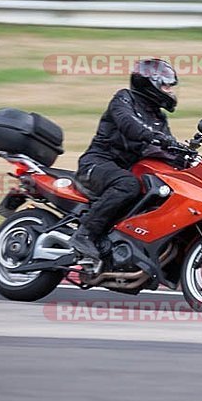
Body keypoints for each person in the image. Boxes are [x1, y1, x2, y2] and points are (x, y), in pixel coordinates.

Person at [70, 58, 180, 259]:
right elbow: (130, 125)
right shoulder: (123, 99)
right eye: (165, 86)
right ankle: (85, 233)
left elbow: (165, 148)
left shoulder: (159, 118)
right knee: (129, 185)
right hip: (97, 163)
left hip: (125, 169)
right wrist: (156, 137)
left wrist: (183, 156)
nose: (169, 91)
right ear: (150, 84)